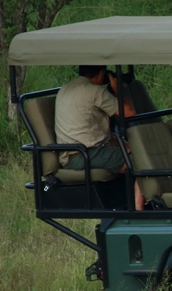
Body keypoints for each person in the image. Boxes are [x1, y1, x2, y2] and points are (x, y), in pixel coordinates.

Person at [55, 65, 144, 209]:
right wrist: (117, 89)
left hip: (71, 154)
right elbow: (129, 112)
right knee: (142, 160)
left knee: (127, 145)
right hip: (85, 155)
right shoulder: (95, 92)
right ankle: (138, 209)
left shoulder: (65, 88)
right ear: (102, 73)